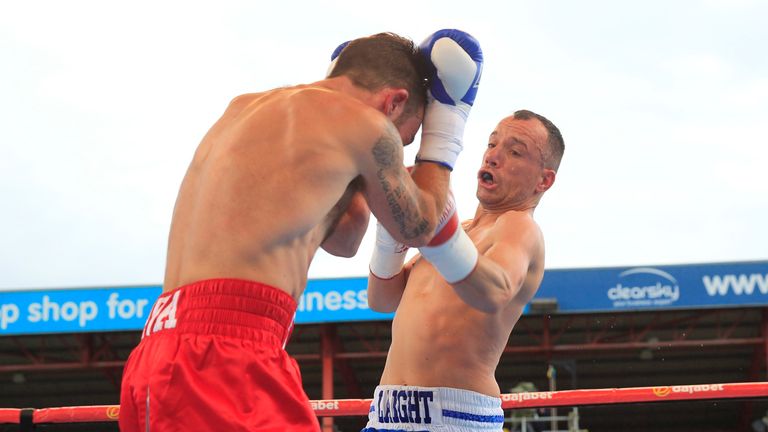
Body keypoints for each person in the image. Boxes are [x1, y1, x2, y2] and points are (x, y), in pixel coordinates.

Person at [118, 30, 483, 432]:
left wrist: (361, 172)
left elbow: (346, 241)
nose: (399, 154)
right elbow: (419, 225)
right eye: (405, 139)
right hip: (225, 357)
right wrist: (446, 126)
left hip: (159, 348)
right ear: (394, 101)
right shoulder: (364, 125)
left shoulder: (242, 108)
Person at [363, 109, 565, 431]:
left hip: (455, 419)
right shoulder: (459, 234)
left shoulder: (518, 227)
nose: (494, 157)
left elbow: (495, 290)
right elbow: (381, 301)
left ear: (544, 179)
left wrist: (442, 236)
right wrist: (390, 238)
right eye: (492, 144)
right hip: (384, 415)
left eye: (514, 152)